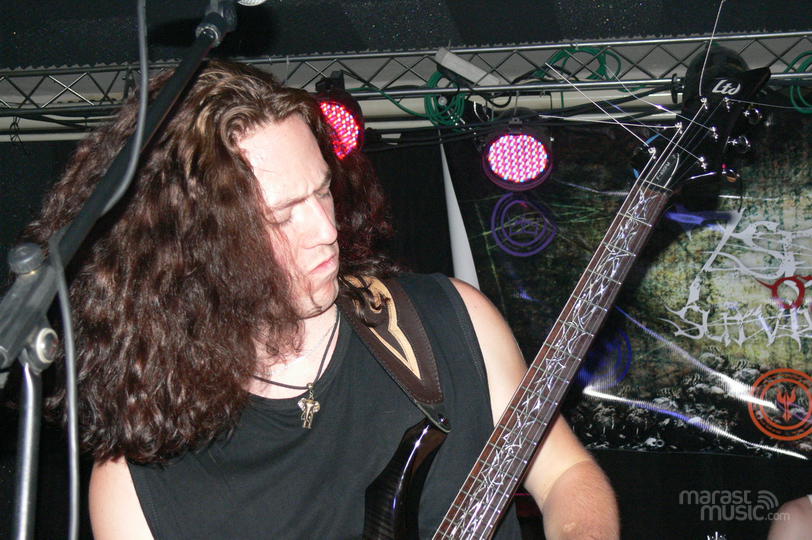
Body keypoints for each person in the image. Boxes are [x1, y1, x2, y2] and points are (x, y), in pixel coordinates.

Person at [27, 60, 619, 539]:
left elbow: (565, 474)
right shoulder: (136, 479)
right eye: (283, 215)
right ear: (193, 247)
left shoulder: (447, 319)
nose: (324, 229)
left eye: (322, 191)